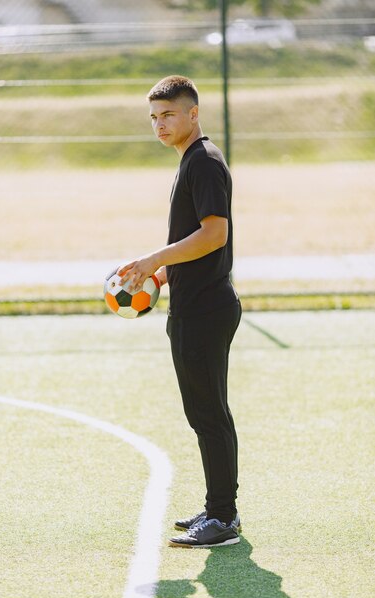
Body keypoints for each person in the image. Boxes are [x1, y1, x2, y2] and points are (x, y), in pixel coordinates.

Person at [118, 75, 242, 548]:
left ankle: (223, 518)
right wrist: (165, 275)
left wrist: (155, 259)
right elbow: (200, 239)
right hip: (194, 303)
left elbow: (215, 234)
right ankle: (217, 509)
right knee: (203, 413)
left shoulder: (204, 163)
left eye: (169, 114)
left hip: (205, 310)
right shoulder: (191, 160)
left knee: (209, 414)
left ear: (194, 114)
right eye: (154, 117)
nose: (160, 124)